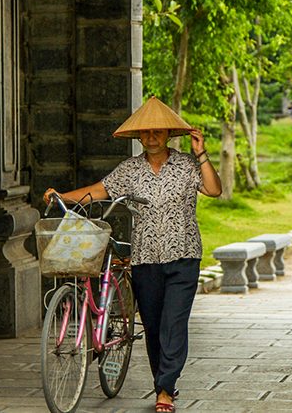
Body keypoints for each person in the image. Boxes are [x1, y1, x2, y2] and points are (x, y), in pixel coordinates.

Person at [44, 96, 222, 413]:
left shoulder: (186, 165)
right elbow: (99, 190)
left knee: (174, 324)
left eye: (158, 132)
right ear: (139, 137)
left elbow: (213, 189)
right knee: (153, 326)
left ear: (168, 134)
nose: (152, 137)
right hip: (145, 260)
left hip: (184, 256)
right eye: (146, 133)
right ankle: (162, 383)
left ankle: (166, 389)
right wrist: (63, 197)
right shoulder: (130, 170)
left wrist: (202, 153)